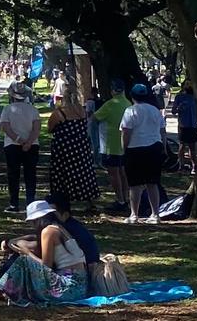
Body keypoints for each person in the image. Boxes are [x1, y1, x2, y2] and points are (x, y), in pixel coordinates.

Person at [0, 199, 88, 306]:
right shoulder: (58, 229)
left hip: (68, 287)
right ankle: (3, 291)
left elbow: (46, 266)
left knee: (23, 261)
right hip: (78, 287)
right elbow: (36, 243)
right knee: (25, 260)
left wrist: (27, 253)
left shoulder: (48, 232)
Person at [46, 87, 101, 212]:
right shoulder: (81, 111)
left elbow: (50, 128)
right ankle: (89, 200)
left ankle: (61, 200)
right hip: (81, 146)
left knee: (62, 174)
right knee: (84, 172)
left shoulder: (59, 114)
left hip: (64, 148)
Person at [121, 83, 166, 224]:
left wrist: (124, 148)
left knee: (134, 184)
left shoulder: (130, 111)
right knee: (152, 182)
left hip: (136, 148)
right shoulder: (155, 110)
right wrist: (163, 148)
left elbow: (126, 132)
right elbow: (162, 131)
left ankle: (134, 215)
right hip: (154, 148)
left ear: (132, 96)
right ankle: (155, 214)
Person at [0, 83, 41, 213]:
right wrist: (29, 142)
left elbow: (6, 127)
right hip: (32, 145)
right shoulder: (33, 110)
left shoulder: (7, 109)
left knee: (13, 175)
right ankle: (30, 203)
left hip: (12, 145)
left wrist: (19, 140)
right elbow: (36, 128)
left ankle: (14, 203)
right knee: (30, 175)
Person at [92, 80, 131, 213]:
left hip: (111, 144)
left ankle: (120, 200)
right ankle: (125, 198)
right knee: (123, 173)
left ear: (113, 90)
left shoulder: (110, 104)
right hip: (124, 145)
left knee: (114, 174)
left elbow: (95, 117)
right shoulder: (128, 104)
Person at [171, 81, 197, 174]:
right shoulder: (179, 97)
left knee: (192, 147)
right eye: (187, 84)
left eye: (190, 84)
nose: (189, 86)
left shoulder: (196, 98)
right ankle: (181, 166)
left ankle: (194, 166)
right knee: (182, 145)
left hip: (193, 125)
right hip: (183, 125)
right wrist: (179, 108)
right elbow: (173, 111)